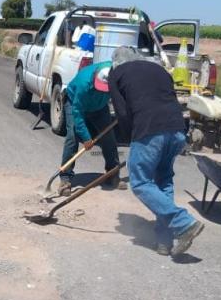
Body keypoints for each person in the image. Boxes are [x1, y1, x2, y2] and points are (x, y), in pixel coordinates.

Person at [108, 46, 204, 256]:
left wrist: (130, 139)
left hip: (150, 130)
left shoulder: (116, 74)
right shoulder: (160, 70)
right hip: (177, 129)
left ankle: (184, 222)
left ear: (116, 63)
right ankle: (164, 240)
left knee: (141, 183)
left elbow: (122, 113)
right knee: (163, 182)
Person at [58, 60, 126, 197]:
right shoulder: (84, 84)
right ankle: (65, 178)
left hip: (100, 107)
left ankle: (112, 174)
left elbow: (123, 96)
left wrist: (124, 111)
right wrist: (87, 137)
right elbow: (77, 113)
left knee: (109, 138)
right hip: (74, 104)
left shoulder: (115, 74)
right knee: (72, 137)